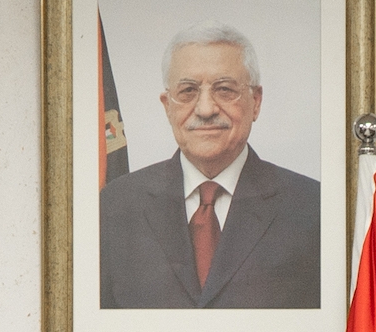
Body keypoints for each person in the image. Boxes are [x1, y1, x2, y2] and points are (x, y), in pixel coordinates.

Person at [100, 20, 320, 309]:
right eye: (188, 91)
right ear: (168, 106)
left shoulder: (312, 208)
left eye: (225, 89)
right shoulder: (112, 207)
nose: (205, 109)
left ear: (255, 102)